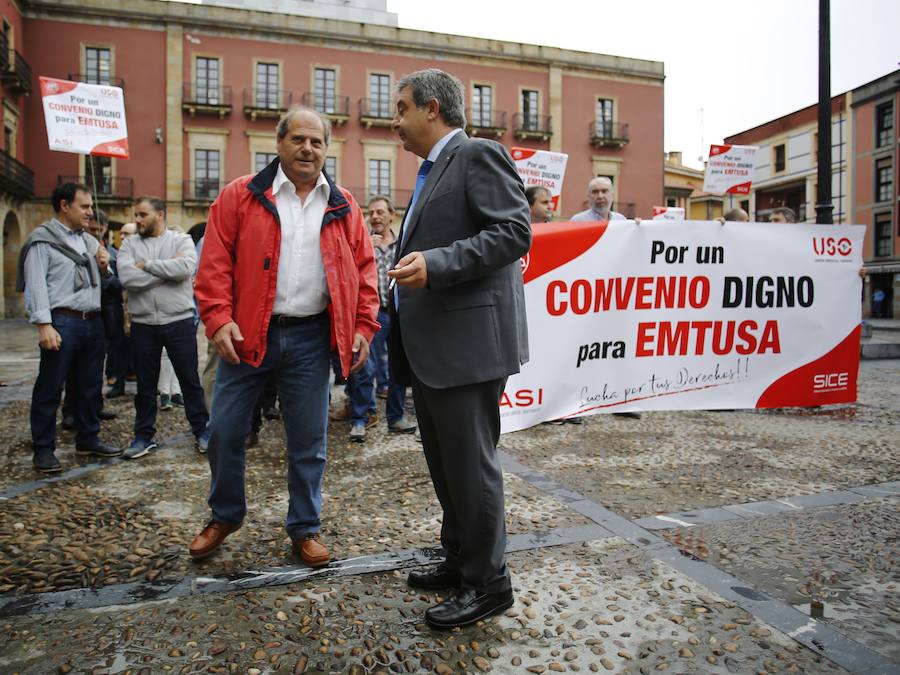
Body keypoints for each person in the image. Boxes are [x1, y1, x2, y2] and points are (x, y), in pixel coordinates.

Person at [191, 105, 379, 567]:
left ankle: (304, 527)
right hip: (247, 336)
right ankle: (226, 513)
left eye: (316, 142)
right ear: (279, 143)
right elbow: (212, 265)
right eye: (298, 139)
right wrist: (217, 319)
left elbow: (364, 271)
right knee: (225, 432)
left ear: (325, 150)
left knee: (309, 441)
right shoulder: (240, 197)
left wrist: (362, 327)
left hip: (312, 339)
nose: (307, 149)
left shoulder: (343, 204)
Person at [388, 68, 531, 629]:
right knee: (447, 467)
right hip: (435, 348)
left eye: (400, 109)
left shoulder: (477, 155)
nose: (394, 121)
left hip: (467, 347)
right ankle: (461, 559)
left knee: (471, 469)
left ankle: (489, 584)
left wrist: (438, 263)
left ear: (431, 108)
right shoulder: (432, 170)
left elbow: (514, 231)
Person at [16, 182, 122, 473]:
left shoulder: (89, 241)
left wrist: (105, 264)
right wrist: (43, 325)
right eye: (84, 206)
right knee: (50, 387)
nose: (90, 212)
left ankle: (88, 437)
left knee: (89, 386)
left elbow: (106, 279)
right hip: (61, 320)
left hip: (92, 320)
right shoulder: (42, 240)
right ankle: (43, 449)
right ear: (65, 206)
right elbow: (36, 284)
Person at [117, 197, 210, 459]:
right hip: (143, 323)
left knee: (190, 381)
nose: (137, 220)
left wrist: (146, 265)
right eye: (136, 214)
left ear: (160, 215)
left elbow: (186, 268)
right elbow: (127, 278)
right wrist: (167, 271)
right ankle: (143, 436)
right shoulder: (129, 244)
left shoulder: (181, 241)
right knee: (145, 386)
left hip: (178, 321)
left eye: (143, 214)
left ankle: (202, 431)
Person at [366, 195, 416, 435]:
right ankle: (365, 414)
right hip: (371, 314)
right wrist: (365, 248)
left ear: (391, 216)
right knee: (366, 366)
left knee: (396, 367)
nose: (375, 216)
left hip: (396, 313)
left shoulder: (403, 246)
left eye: (380, 212)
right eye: (372, 213)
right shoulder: (363, 244)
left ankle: (395, 417)